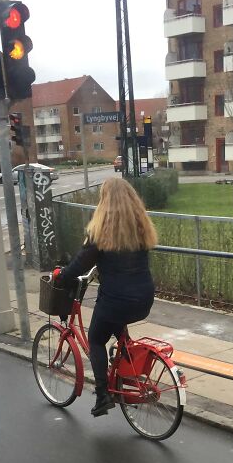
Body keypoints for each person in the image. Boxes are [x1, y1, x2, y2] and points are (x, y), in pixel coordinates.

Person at [53, 178, 158, 417]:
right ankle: (123, 373)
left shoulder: (102, 232)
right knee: (117, 325)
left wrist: (63, 277)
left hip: (116, 301)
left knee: (97, 339)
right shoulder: (140, 226)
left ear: (104, 202)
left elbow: (80, 264)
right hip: (144, 298)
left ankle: (102, 396)